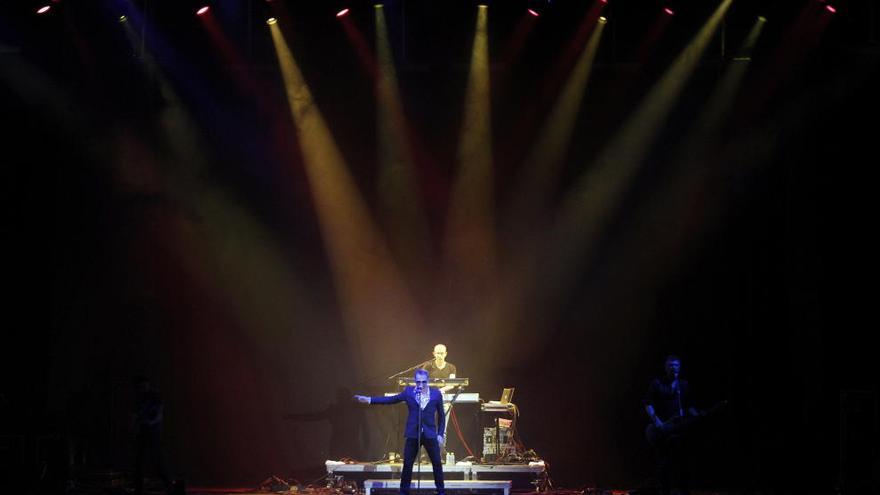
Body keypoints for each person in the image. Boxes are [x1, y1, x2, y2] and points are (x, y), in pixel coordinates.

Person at [355, 369, 446, 495]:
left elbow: (442, 416)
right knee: (408, 464)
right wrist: (370, 400)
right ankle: (404, 492)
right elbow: (391, 400)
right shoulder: (409, 392)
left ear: (428, 381)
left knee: (437, 463)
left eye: (424, 382)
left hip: (430, 434)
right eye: (418, 382)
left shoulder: (436, 394)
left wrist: (440, 434)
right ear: (415, 381)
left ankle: (441, 491)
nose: (421, 385)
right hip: (413, 434)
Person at [644, 356, 700, 495]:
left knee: (683, 462)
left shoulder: (684, 385)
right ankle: (665, 491)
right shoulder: (657, 383)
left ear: (679, 368)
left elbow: (690, 406)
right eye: (670, 365)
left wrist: (697, 414)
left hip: (678, 430)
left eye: (676, 365)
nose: (673, 368)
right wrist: (657, 422)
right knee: (663, 463)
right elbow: (648, 403)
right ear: (665, 367)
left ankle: (684, 491)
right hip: (662, 429)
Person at [132, 376, 172, 495]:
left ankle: (168, 485)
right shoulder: (140, 397)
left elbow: (159, 413)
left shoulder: (154, 396)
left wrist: (150, 422)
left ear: (148, 385)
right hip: (145, 432)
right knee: (139, 461)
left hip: (153, 432)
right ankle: (138, 488)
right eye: (140, 387)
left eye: (143, 386)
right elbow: (136, 415)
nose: (142, 388)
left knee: (157, 461)